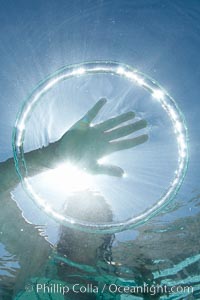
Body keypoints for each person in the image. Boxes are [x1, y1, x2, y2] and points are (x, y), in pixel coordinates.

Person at [0, 98, 148, 299]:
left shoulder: (122, 274)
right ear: (66, 222)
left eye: (96, 215)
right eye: (79, 213)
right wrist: (52, 156)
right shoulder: (36, 255)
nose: (87, 219)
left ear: (107, 227)